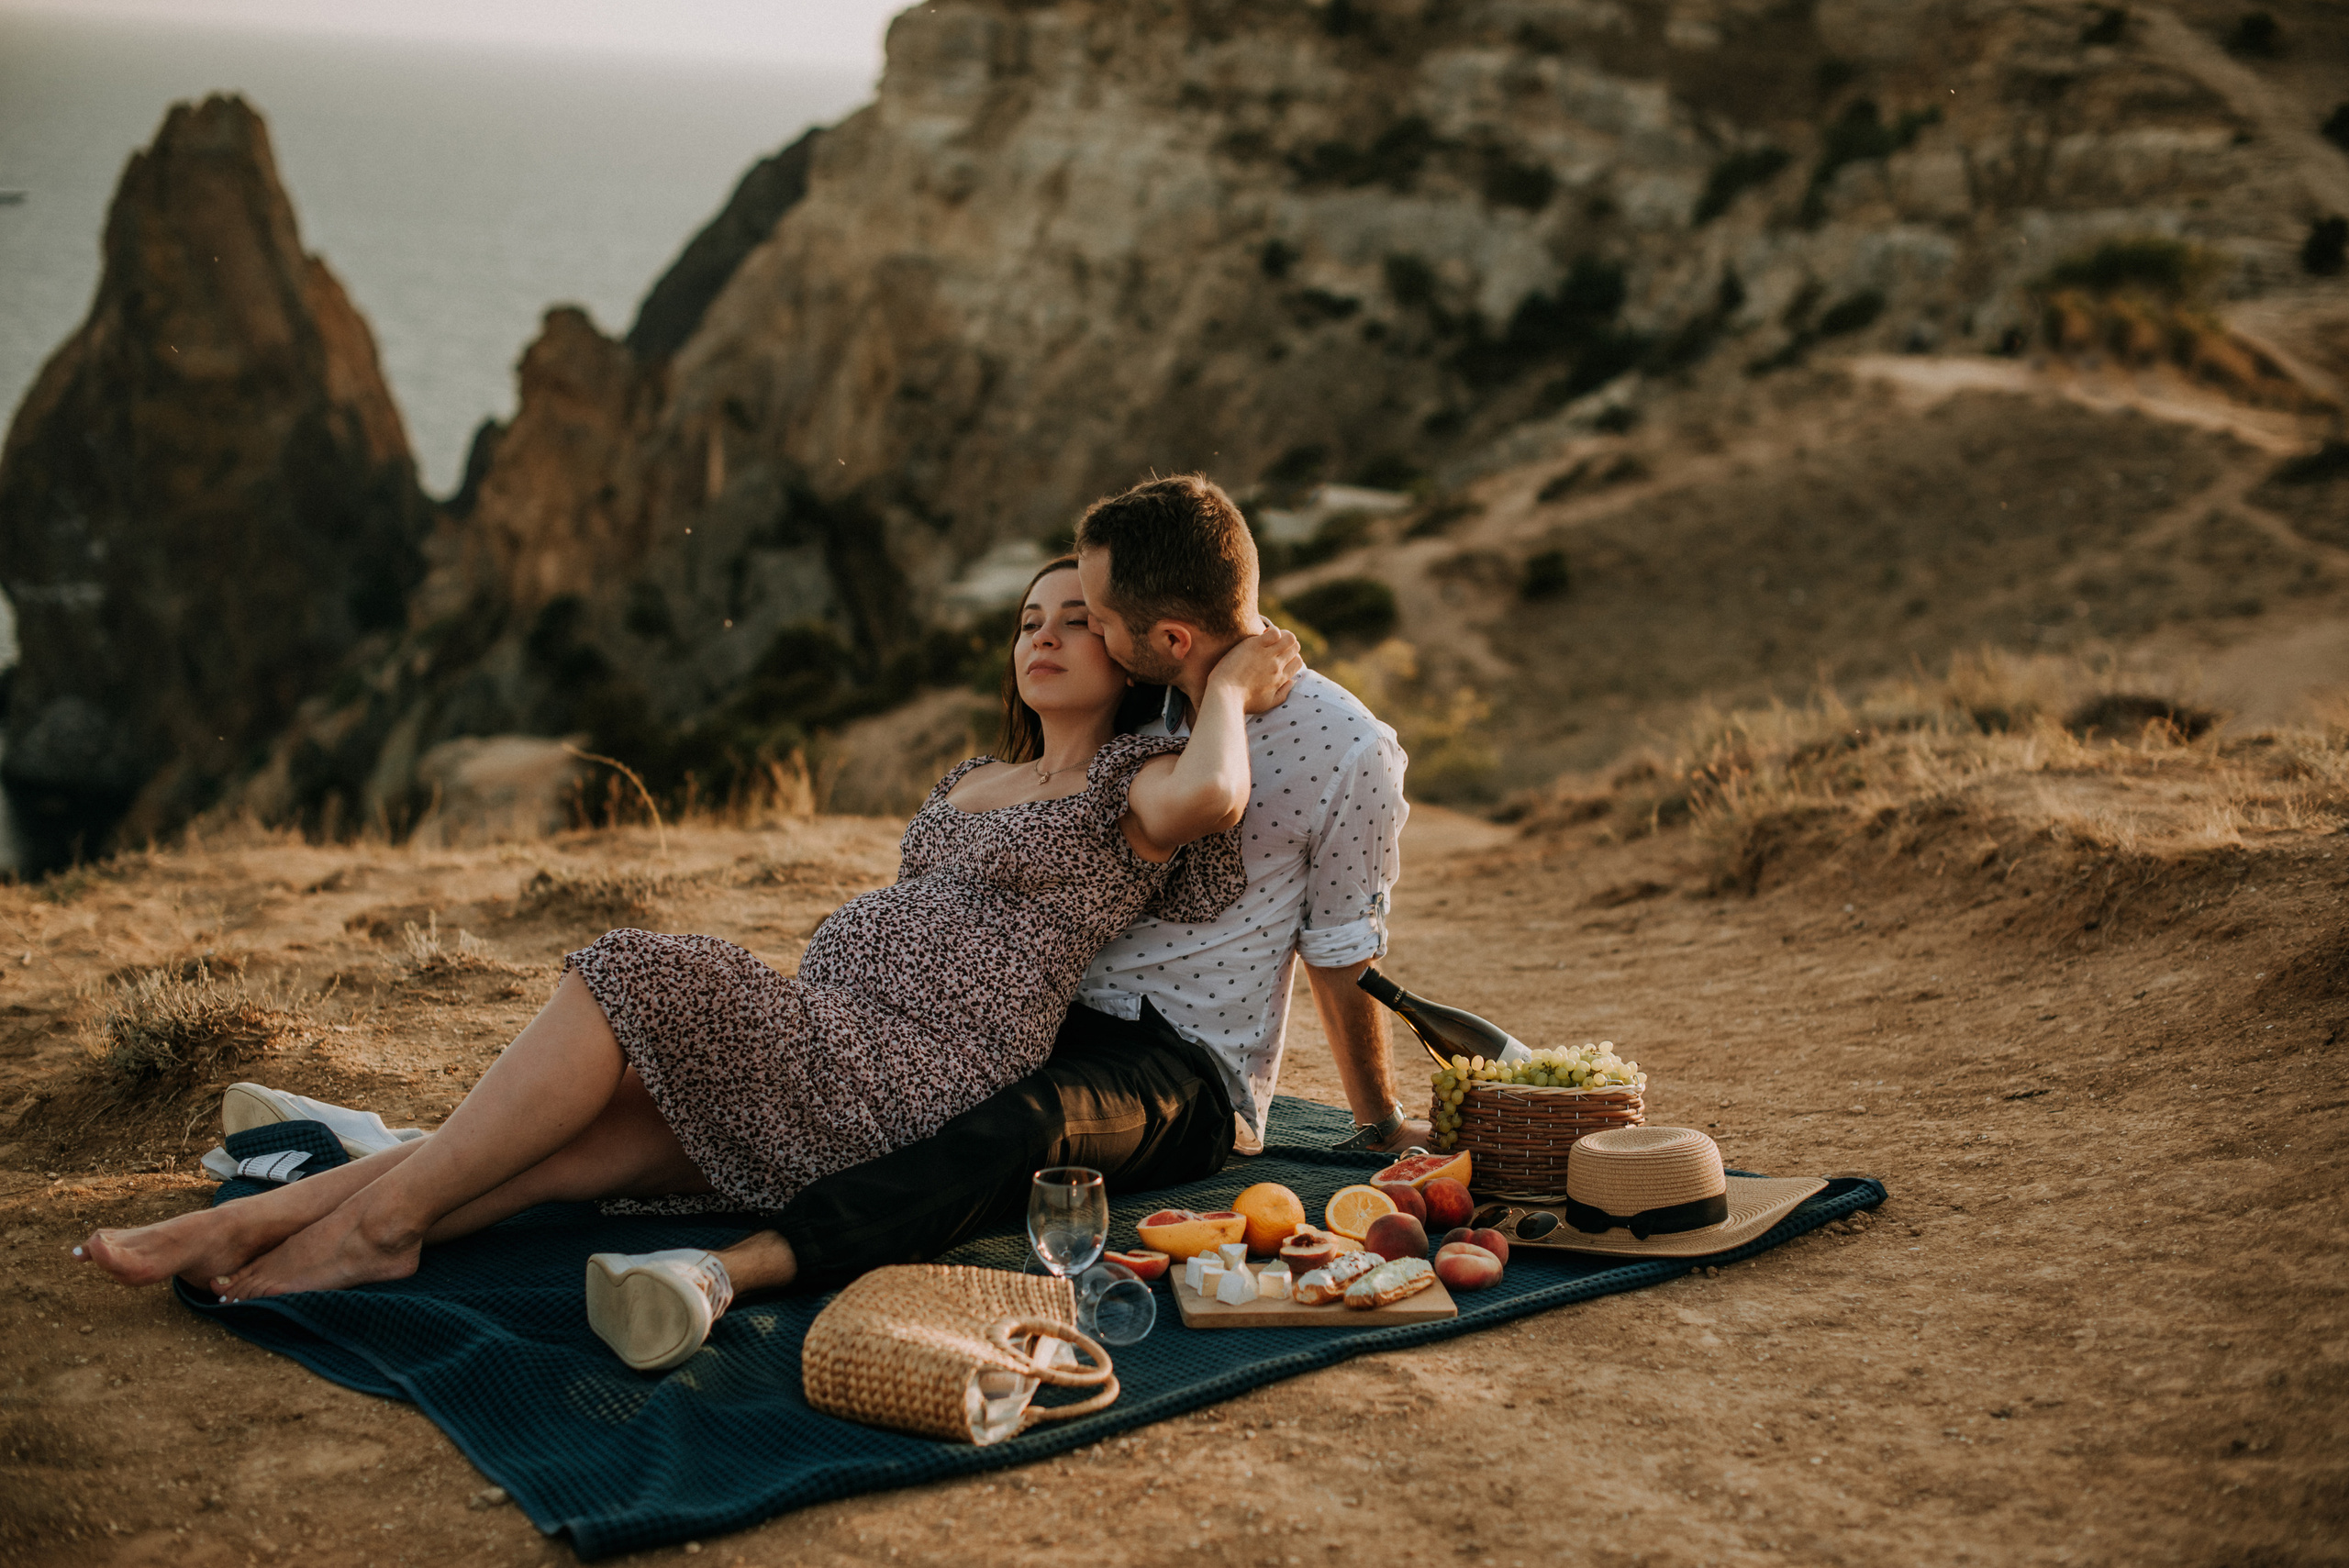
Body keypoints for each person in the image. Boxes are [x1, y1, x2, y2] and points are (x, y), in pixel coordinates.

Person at [73, 556, 1303, 1307]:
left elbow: (1218, 796)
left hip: (912, 1077)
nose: (1043, 632)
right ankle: (275, 1226)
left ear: (1138, 648)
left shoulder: (1135, 780)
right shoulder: (973, 775)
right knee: (555, 1154)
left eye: (1079, 618)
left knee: (633, 968)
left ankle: (350, 1225)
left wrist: (1232, 685)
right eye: (1030, 617)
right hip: (820, 1036)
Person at [674, 474, 1419, 1317]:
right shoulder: (1140, 701)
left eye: (1094, 618)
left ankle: (736, 1267)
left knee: (1027, 1130)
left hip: (1180, 1060)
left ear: (1170, 635)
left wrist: (1381, 1123)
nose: (1083, 631)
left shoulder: (1352, 749)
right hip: (1034, 1008)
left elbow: (1341, 945)